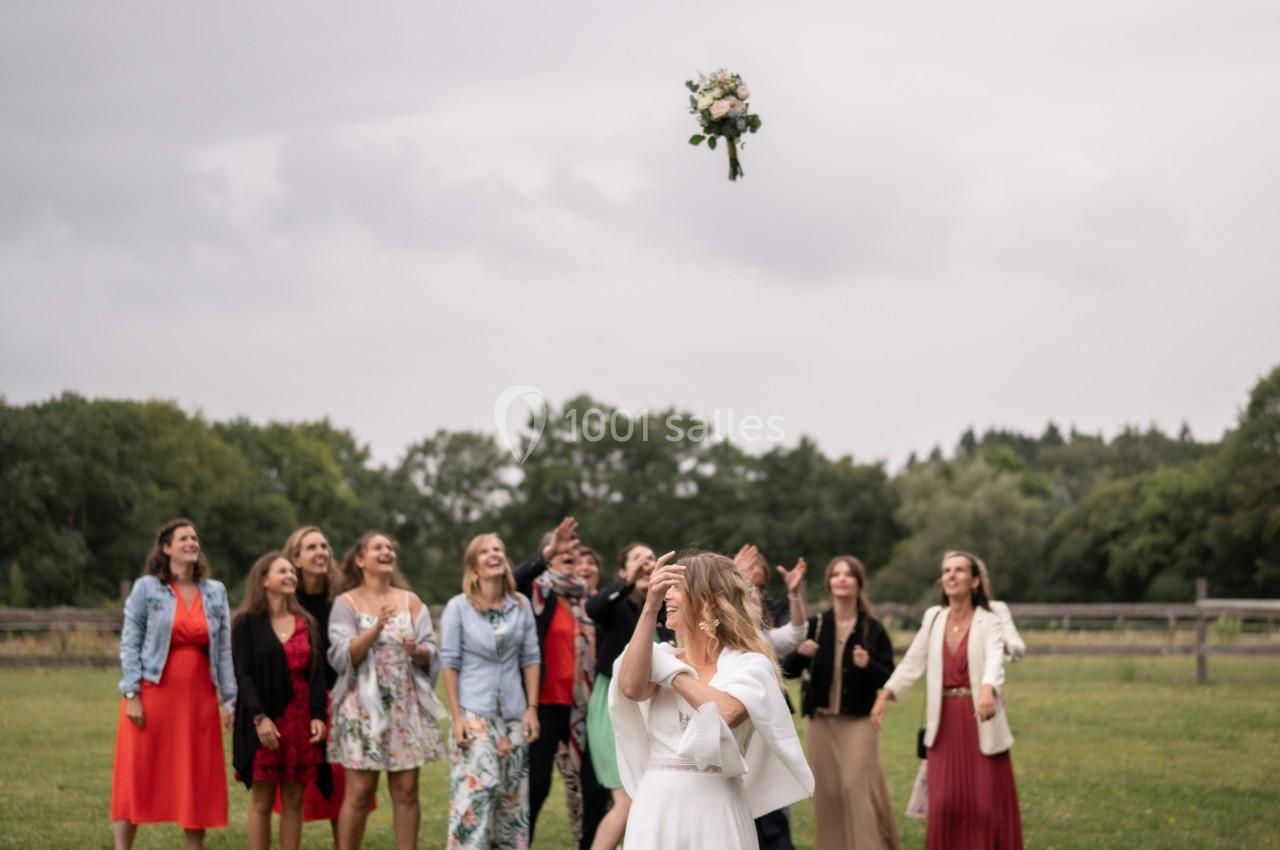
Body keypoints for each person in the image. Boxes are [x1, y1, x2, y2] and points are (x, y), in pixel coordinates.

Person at [610, 551, 815, 850]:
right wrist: (649, 609)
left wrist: (674, 674)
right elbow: (630, 688)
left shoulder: (750, 665)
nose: (668, 595)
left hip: (716, 808)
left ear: (707, 601)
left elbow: (726, 711)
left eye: (677, 588)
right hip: (657, 808)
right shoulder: (659, 656)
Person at [871, 551, 1024, 850]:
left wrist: (987, 688)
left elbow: (995, 656)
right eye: (946, 570)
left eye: (959, 570)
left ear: (975, 581)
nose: (951, 576)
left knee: (985, 805)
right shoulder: (934, 617)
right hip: (943, 724)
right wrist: (885, 695)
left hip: (981, 718)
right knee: (943, 805)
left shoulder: (989, 619)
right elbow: (913, 662)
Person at [110, 518, 236, 850]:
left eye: (195, 538)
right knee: (136, 772)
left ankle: (195, 846)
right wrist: (132, 693)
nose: (192, 542)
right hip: (152, 694)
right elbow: (130, 640)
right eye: (184, 538)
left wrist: (229, 700)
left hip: (198, 699)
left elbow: (223, 648)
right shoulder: (147, 588)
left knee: (194, 775)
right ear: (167, 548)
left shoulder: (216, 591)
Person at [327, 531, 447, 850]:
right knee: (361, 792)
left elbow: (431, 651)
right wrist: (375, 629)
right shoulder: (345, 603)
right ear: (360, 559)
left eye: (389, 548)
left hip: (404, 705)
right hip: (360, 708)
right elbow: (342, 656)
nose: (386, 551)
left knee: (407, 789)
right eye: (377, 547)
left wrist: (417, 651)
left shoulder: (411, 601)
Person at [782, 556, 899, 850]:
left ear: (859, 583)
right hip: (820, 722)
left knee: (854, 786)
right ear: (830, 582)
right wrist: (801, 654)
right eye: (836, 575)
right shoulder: (817, 623)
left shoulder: (872, 629)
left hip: (859, 722)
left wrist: (868, 664)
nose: (842, 579)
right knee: (829, 793)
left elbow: (890, 677)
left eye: (849, 575)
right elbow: (789, 670)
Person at [440, 533, 542, 850]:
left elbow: (531, 657)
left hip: (513, 713)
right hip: (474, 713)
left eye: (498, 549)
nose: (493, 554)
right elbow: (450, 662)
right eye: (484, 551)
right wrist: (456, 717)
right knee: (476, 795)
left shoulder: (520, 606)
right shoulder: (458, 608)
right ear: (474, 565)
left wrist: (532, 709)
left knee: (512, 799)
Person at [513, 517, 608, 850]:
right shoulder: (536, 596)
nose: (575, 558)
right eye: (565, 553)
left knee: (595, 787)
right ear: (549, 557)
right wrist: (546, 553)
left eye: (577, 554)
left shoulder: (589, 602)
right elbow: (511, 580)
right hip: (543, 707)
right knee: (535, 788)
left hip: (582, 707)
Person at [232, 551, 328, 850]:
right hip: (263, 719)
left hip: (300, 720)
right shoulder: (246, 623)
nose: (290, 576)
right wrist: (259, 718)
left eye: (291, 571)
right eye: (282, 571)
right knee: (261, 801)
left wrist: (317, 715)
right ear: (264, 580)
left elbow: (316, 674)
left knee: (294, 799)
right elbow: (243, 674)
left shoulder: (306, 623)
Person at [582, 542, 669, 850]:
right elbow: (592, 607)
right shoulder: (616, 606)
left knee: (647, 798)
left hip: (653, 713)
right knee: (627, 801)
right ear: (622, 571)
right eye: (637, 558)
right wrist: (629, 582)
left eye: (650, 557)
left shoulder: (665, 611)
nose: (646, 562)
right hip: (613, 708)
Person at [279, 525, 359, 832]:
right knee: (295, 790)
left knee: (341, 788)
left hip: (339, 696)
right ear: (295, 558)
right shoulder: (285, 599)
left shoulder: (341, 598)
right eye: (312, 548)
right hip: (297, 700)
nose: (321, 552)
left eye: (324, 547)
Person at [733, 547, 808, 850]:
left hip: (766, 737)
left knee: (773, 817)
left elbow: (796, 634)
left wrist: (794, 595)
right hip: (734, 736)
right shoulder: (714, 631)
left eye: (759, 588)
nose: (755, 596)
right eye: (745, 586)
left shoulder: (762, 636)